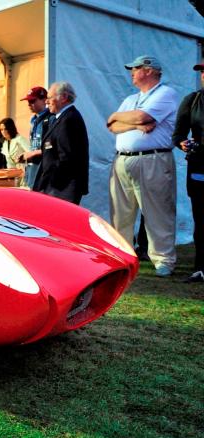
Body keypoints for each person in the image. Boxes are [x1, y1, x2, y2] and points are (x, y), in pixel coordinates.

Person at [107, 55, 179, 278]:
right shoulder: (131, 98)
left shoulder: (166, 93)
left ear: (149, 70)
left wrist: (133, 119)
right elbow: (111, 125)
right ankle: (123, 256)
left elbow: (142, 115)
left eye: (136, 68)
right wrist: (123, 118)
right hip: (122, 159)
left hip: (153, 159)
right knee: (121, 212)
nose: (132, 72)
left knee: (157, 211)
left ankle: (163, 260)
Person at [171, 59, 204, 283]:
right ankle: (201, 268)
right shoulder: (192, 100)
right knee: (201, 218)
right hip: (199, 167)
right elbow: (178, 134)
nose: (203, 75)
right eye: (202, 72)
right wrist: (183, 143)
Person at [35, 81, 89, 205]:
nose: (46, 102)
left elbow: (67, 157)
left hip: (62, 188)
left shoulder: (69, 120)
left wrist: (52, 183)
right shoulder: (62, 118)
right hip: (58, 186)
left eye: (49, 98)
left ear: (63, 97)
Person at [19, 86, 51, 189]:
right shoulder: (34, 120)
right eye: (28, 101)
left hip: (44, 173)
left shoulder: (50, 119)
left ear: (44, 100)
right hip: (33, 172)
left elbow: (51, 146)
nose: (29, 104)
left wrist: (31, 154)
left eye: (32, 101)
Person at [0, 118, 31, 187]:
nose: (3, 132)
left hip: (25, 174)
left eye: (5, 129)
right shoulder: (5, 143)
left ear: (11, 128)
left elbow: (30, 152)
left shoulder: (20, 139)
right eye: (1, 129)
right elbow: (9, 163)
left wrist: (23, 157)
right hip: (13, 177)